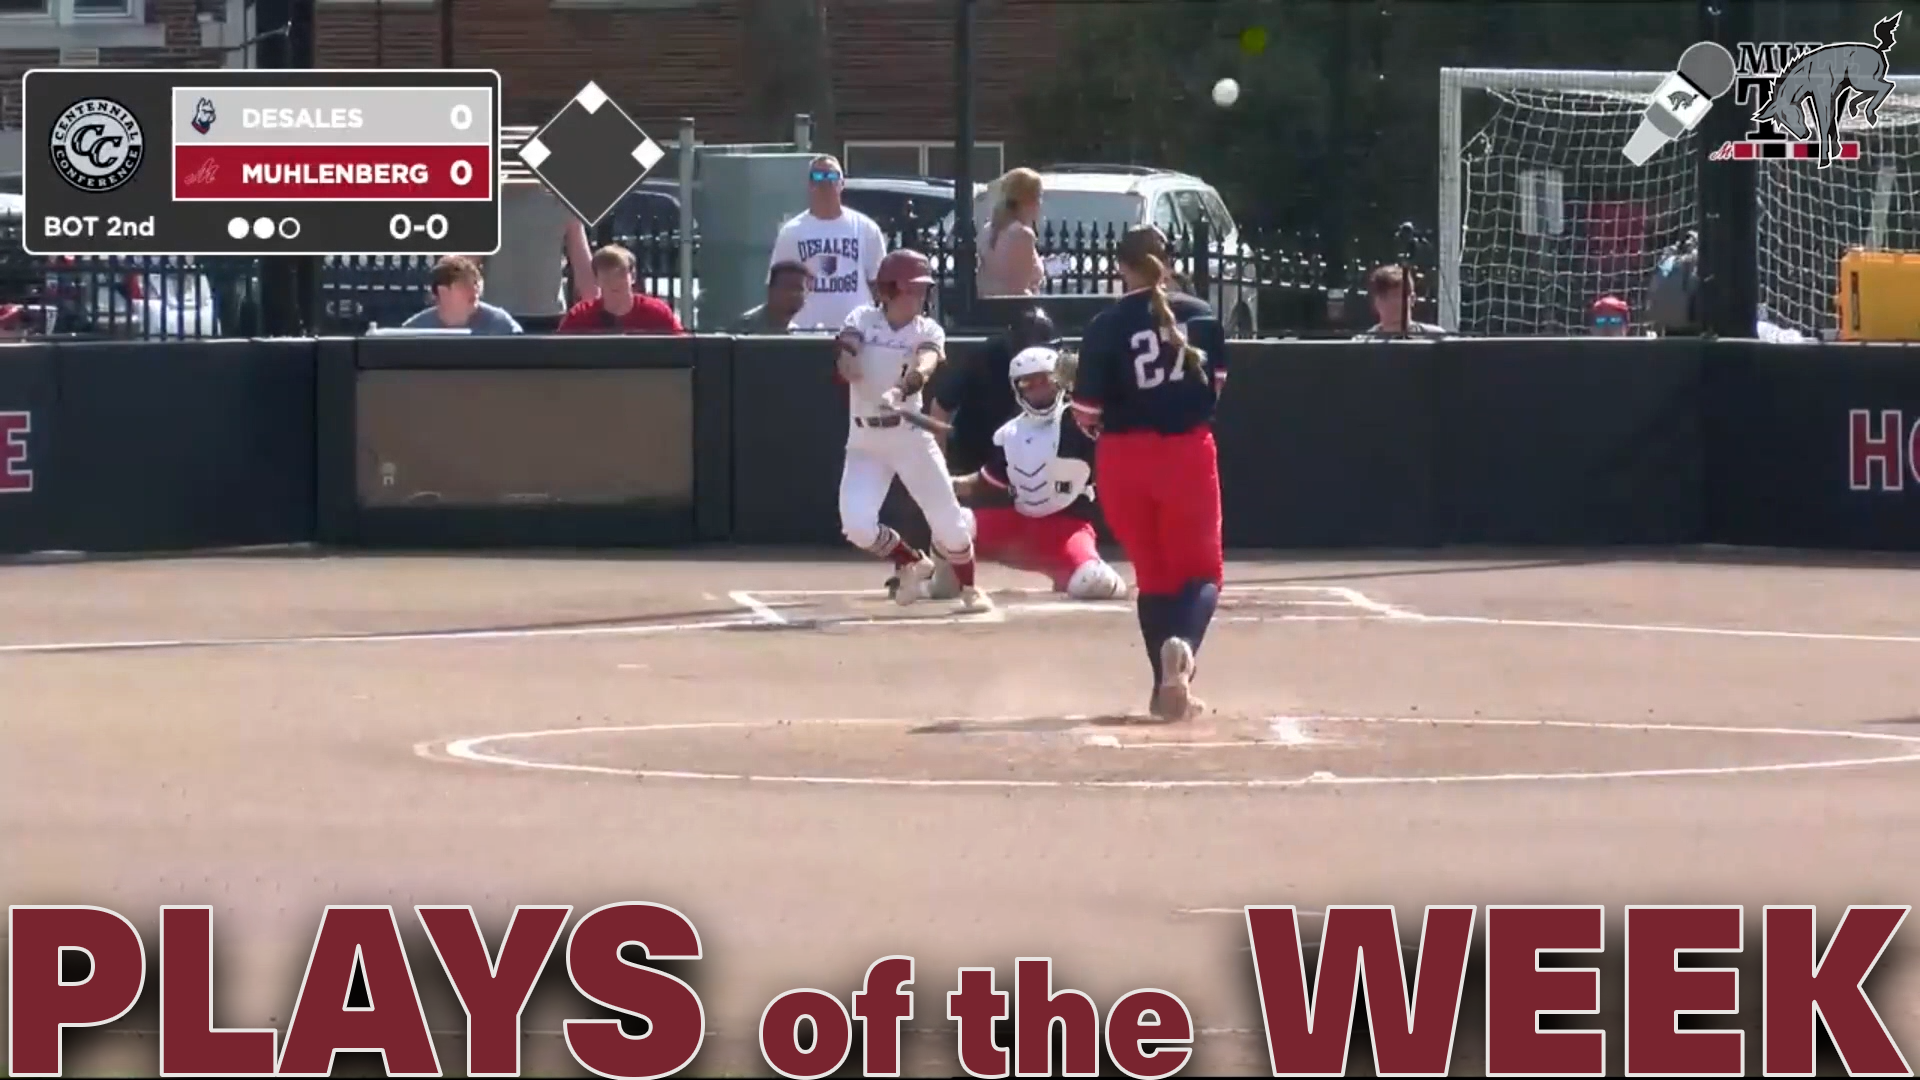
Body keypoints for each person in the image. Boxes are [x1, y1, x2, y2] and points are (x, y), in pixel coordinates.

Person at [1070, 225, 1229, 722]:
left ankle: (1165, 691)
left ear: (1121, 266)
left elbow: (1086, 412)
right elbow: (1214, 392)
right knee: (1201, 572)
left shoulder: (1104, 325)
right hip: (1185, 452)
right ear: (1168, 260)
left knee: (1154, 575)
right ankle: (1181, 648)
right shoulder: (1200, 316)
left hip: (1122, 458)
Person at [835, 249, 990, 614]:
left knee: (950, 523)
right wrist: (849, 362)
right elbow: (848, 349)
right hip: (864, 441)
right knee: (856, 525)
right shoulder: (863, 317)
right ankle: (909, 561)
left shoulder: (927, 329)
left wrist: (904, 388)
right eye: (912, 289)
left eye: (923, 290)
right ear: (890, 289)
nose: (920, 297)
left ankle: (969, 586)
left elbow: (928, 359)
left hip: (908, 436)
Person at [933, 345, 1126, 601]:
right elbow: (987, 481)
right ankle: (944, 584)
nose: (1038, 389)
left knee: (1094, 583)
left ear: (1058, 382)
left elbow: (1108, 415)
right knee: (952, 524)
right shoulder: (1009, 434)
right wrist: (945, 484)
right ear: (1017, 389)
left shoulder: (1079, 421)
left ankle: (1080, 574)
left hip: (1067, 530)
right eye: (1028, 383)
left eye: (1044, 380)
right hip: (1018, 529)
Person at [770, 155, 889, 331]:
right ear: (810, 185)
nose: (826, 182)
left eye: (832, 177)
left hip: (856, 333)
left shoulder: (866, 228)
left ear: (842, 184)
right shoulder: (791, 232)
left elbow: (880, 286)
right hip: (804, 332)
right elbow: (777, 289)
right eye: (818, 177)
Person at [557, 244, 684, 334]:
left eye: (620, 274)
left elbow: (682, 349)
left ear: (633, 276)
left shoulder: (658, 314)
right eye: (606, 275)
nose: (614, 282)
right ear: (596, 279)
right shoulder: (579, 317)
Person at [401, 255, 523, 334]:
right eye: (465, 284)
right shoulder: (414, 331)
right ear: (442, 291)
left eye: (476, 284)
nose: (474, 290)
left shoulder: (502, 328)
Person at [977, 167, 1046, 297]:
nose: (1040, 203)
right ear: (1029, 200)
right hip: (1013, 312)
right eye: (1039, 196)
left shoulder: (990, 229)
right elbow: (1017, 291)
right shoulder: (1022, 234)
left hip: (987, 308)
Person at [1354, 264, 1446, 339]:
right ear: (1375, 302)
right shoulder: (1360, 345)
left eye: (1396, 296)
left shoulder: (1436, 339)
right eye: (1384, 297)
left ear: (1412, 299)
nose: (1390, 303)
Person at [733, 260, 809, 334]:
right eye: (788, 288)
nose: (794, 294)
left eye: (799, 288)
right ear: (770, 290)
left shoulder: (796, 332)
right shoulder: (746, 328)